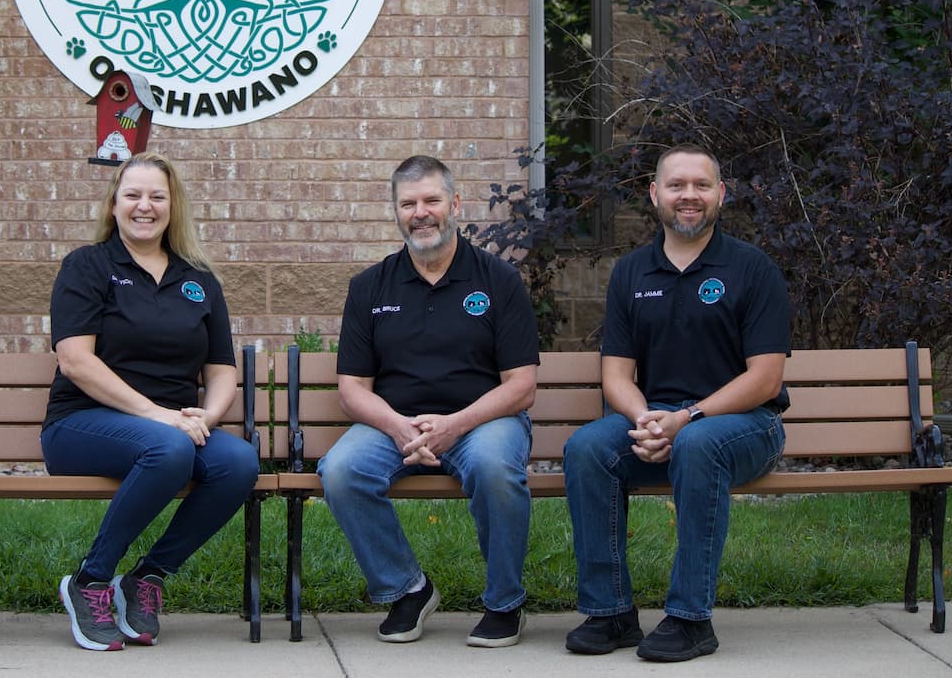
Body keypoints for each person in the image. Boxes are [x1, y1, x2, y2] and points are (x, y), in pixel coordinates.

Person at [563, 143, 790, 663]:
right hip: (662, 417)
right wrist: (646, 420)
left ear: (721, 195)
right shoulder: (631, 273)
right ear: (654, 195)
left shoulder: (752, 269)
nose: (689, 196)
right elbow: (615, 375)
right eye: (676, 185)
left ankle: (691, 619)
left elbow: (764, 378)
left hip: (744, 425)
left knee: (699, 446)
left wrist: (686, 420)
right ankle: (611, 613)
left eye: (701, 186)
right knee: (587, 450)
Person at [319, 154, 540, 648]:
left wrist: (454, 426)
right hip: (393, 424)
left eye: (431, 200)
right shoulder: (369, 286)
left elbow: (521, 386)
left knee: (494, 468)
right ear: (396, 212)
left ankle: (505, 602)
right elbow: (352, 390)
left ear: (455, 203)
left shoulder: (498, 281)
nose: (421, 212)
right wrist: (401, 429)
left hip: (484, 420)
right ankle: (407, 589)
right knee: (340, 469)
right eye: (408, 203)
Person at [44, 152, 260, 651]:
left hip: (172, 429)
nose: (145, 206)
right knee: (169, 449)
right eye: (133, 195)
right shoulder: (88, 265)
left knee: (238, 461)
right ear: (113, 205)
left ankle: (147, 578)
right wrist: (160, 417)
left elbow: (221, 368)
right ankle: (91, 580)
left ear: (173, 206)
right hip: (81, 424)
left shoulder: (199, 278)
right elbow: (76, 360)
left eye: (157, 196)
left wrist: (208, 413)